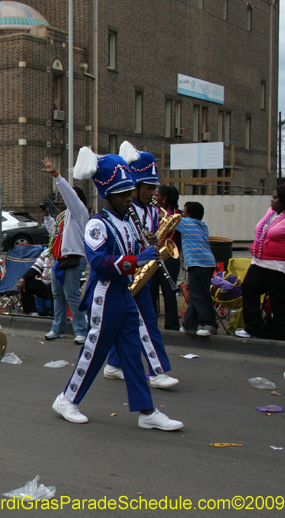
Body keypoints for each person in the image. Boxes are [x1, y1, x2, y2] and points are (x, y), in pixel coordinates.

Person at [51, 147, 183, 431]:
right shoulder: (98, 224)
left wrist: (145, 244)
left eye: (129, 193)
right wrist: (138, 259)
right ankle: (66, 399)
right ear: (107, 195)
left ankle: (146, 411)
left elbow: (131, 251)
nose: (128, 199)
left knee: (132, 353)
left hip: (125, 293)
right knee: (95, 350)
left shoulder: (128, 222)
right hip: (105, 292)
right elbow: (100, 262)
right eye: (123, 195)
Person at [103, 143, 179, 390]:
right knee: (146, 320)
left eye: (154, 188)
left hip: (142, 273)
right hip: (125, 273)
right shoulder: (123, 207)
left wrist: (154, 240)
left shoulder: (154, 212)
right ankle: (157, 372)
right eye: (148, 188)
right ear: (134, 187)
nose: (153, 193)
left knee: (131, 322)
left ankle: (114, 365)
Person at [236, 184, 285, 340]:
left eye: (275, 198)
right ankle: (254, 328)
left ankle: (281, 332)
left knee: (279, 299)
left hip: (280, 265)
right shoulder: (271, 213)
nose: (271, 200)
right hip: (260, 261)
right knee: (249, 288)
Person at [40, 157, 89, 344]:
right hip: (59, 260)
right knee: (57, 295)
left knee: (72, 296)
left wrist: (56, 176)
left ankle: (80, 330)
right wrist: (46, 217)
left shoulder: (80, 213)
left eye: (71, 197)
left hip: (74, 259)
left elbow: (70, 196)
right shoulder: (64, 216)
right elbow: (55, 232)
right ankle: (58, 328)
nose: (66, 199)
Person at [177, 201, 218, 336]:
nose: (181, 214)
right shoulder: (203, 225)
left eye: (184, 211)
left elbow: (170, 220)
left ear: (189, 215)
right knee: (196, 294)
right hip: (207, 262)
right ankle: (189, 325)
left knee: (201, 295)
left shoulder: (185, 223)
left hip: (197, 263)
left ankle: (210, 324)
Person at [150, 185, 181, 330]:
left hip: (169, 257)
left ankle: (172, 325)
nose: (154, 197)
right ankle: (150, 322)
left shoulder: (176, 214)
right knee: (151, 292)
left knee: (169, 293)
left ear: (164, 198)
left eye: (156, 195)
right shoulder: (152, 212)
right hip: (155, 254)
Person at [15, 248, 53, 316]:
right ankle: (32, 313)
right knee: (26, 283)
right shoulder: (47, 252)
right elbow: (36, 268)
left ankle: (55, 315)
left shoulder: (63, 252)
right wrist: (23, 279)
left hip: (58, 286)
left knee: (53, 286)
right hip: (45, 285)